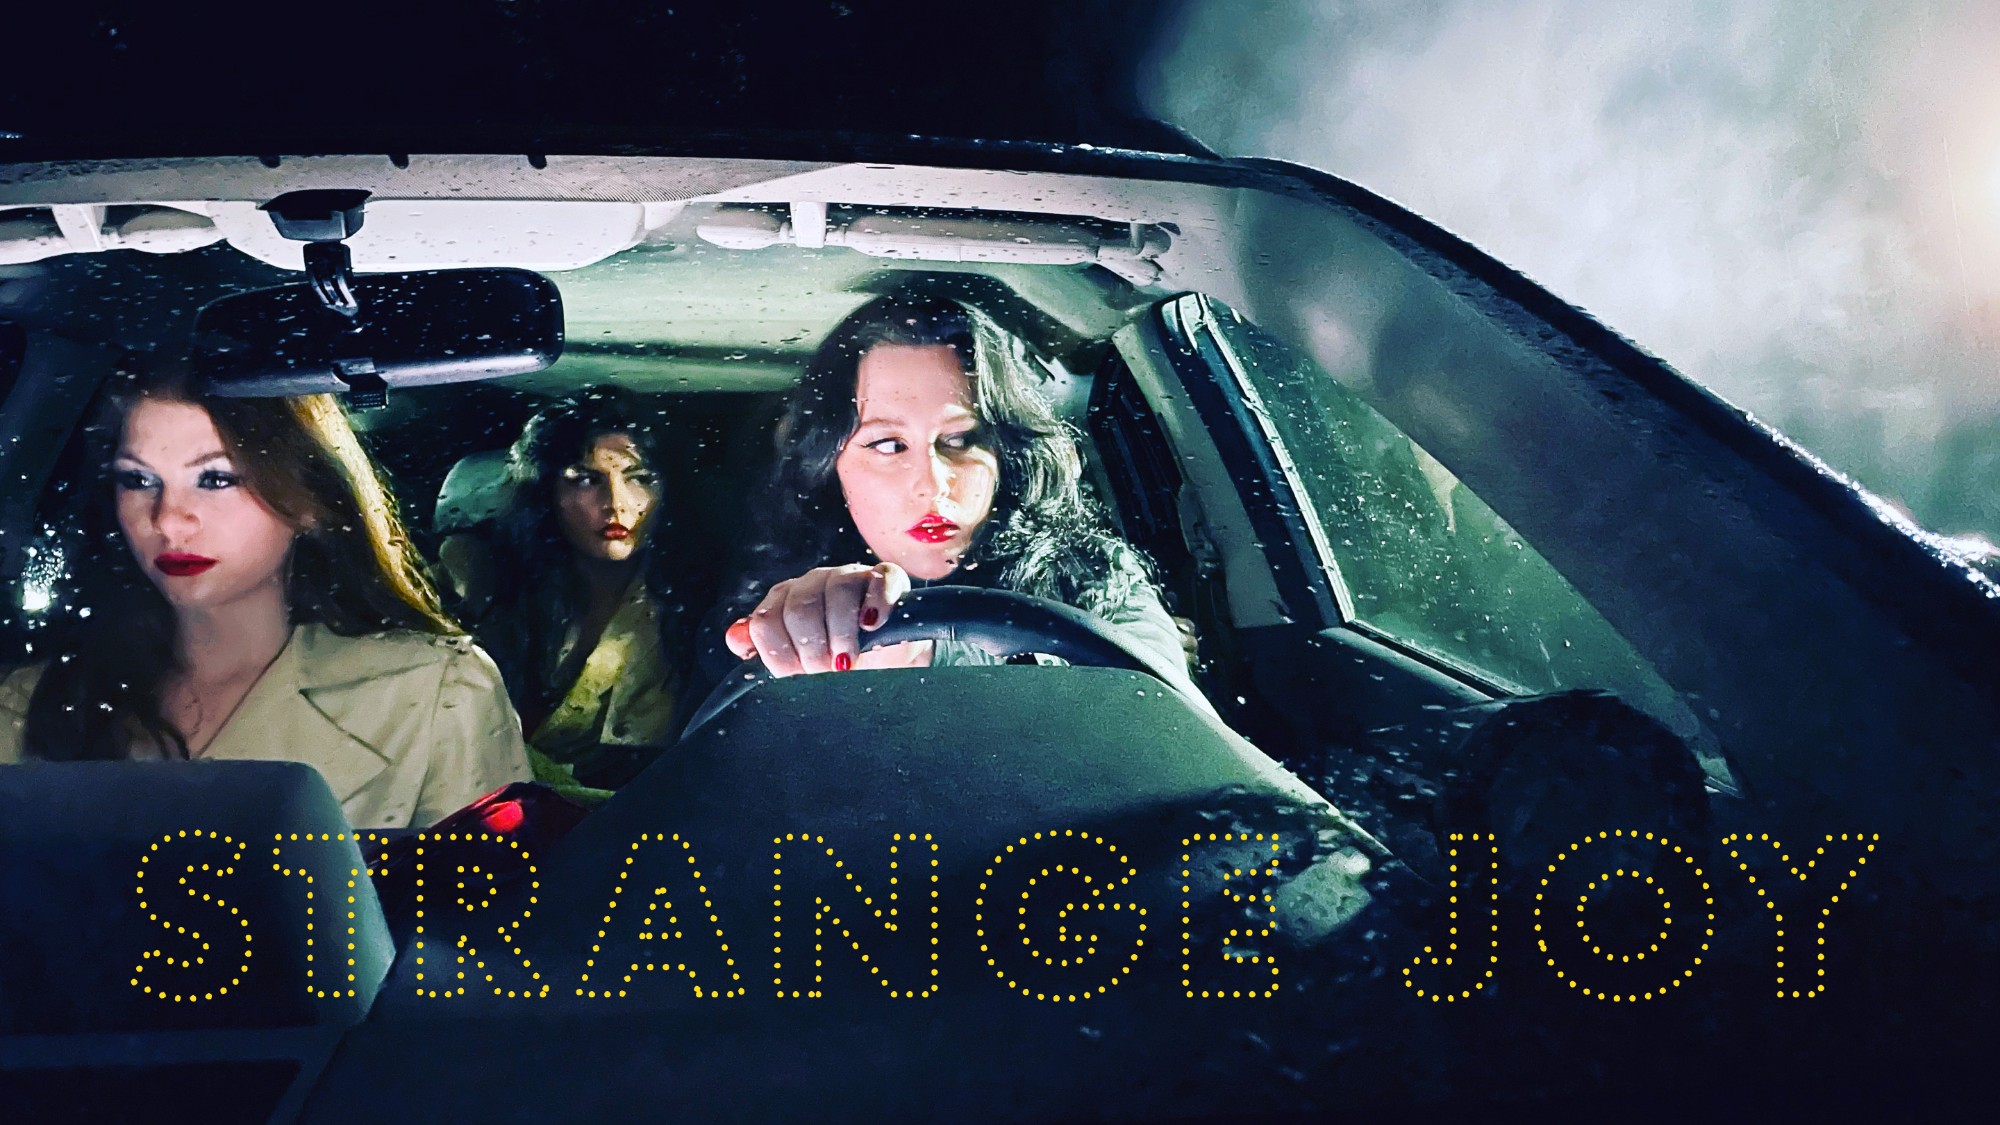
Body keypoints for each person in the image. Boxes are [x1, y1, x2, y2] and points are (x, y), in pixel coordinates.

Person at [0, 362, 532, 829]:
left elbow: (488, 906)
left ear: (308, 499)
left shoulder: (435, 692)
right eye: (138, 481)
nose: (168, 521)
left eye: (216, 479)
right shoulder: (32, 700)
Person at [717, 294, 1209, 709]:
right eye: (888, 445)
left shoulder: (1091, 573)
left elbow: (1179, 731)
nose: (933, 484)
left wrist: (922, 654)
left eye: (961, 440)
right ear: (830, 467)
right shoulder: (767, 600)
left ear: (1004, 453)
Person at [444, 387, 694, 794]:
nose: (616, 504)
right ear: (548, 492)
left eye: (640, 479)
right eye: (586, 480)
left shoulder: (694, 604)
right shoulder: (481, 577)